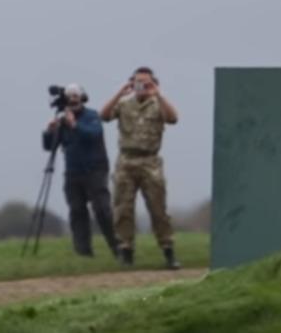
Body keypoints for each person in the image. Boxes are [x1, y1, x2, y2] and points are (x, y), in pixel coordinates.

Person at [100, 67, 181, 269]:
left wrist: (158, 94)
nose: (142, 86)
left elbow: (173, 118)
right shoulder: (124, 104)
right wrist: (121, 92)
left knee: (158, 209)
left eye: (146, 83)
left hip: (150, 162)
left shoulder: (158, 104)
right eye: (138, 82)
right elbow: (104, 115)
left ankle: (168, 251)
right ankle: (126, 251)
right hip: (126, 161)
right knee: (123, 209)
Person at [42, 84, 123, 260]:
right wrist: (49, 131)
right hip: (73, 173)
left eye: (76, 97)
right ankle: (83, 252)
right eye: (69, 98)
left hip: (95, 169)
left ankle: (118, 248)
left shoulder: (92, 116)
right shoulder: (62, 122)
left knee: (102, 210)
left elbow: (93, 135)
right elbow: (49, 147)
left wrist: (74, 124)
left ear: (82, 99)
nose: (73, 101)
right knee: (77, 211)